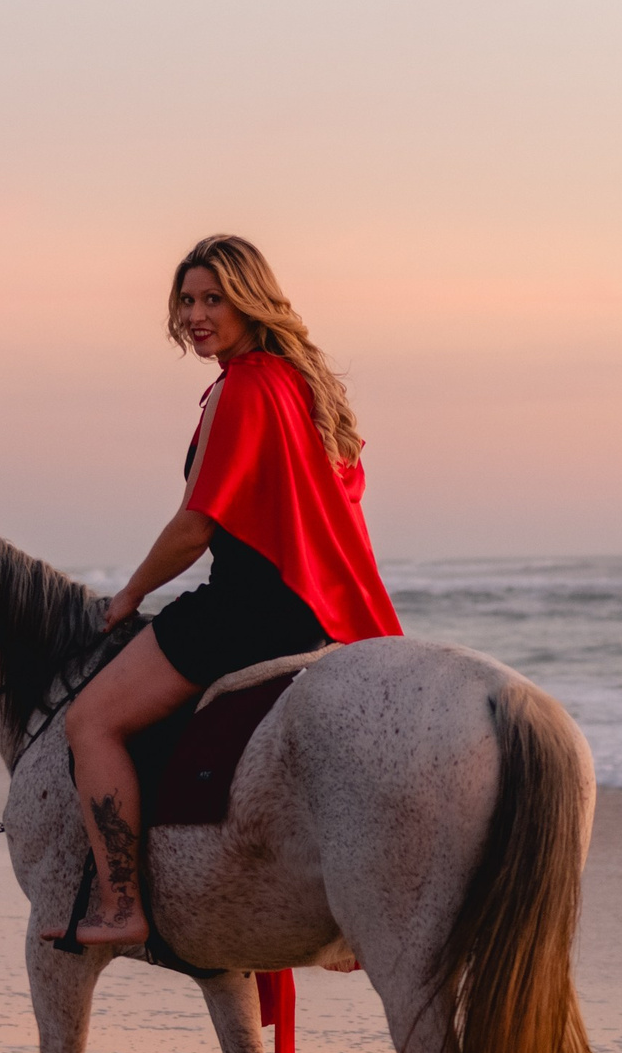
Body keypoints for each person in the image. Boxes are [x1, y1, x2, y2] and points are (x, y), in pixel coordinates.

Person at [48, 235, 402, 948]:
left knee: (90, 723)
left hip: (248, 609)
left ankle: (120, 905)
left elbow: (196, 526)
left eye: (214, 299)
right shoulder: (297, 382)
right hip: (311, 607)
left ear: (251, 300)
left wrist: (127, 597)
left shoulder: (244, 385)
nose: (197, 315)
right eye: (187, 300)